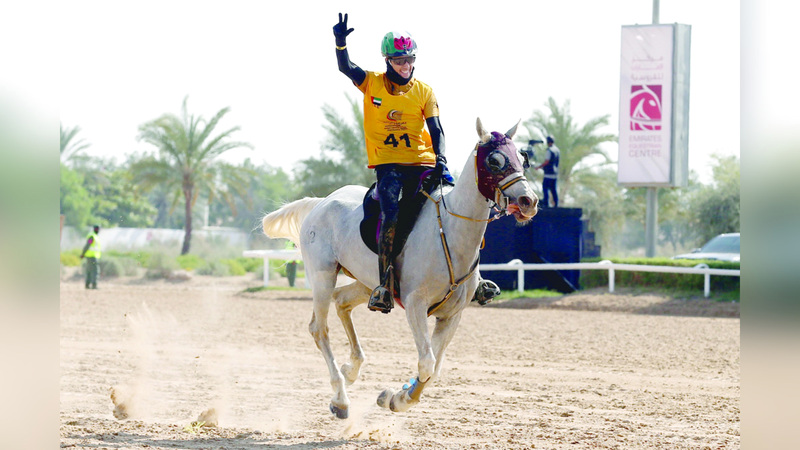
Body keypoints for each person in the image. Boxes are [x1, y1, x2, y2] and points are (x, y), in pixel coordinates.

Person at [333, 13, 499, 313]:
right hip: (389, 168)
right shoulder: (372, 83)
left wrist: (442, 158)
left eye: (409, 60)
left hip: (423, 163)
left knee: (460, 205)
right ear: (387, 61)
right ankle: (384, 284)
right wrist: (341, 44)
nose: (405, 66)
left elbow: (436, 130)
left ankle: (477, 278)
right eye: (399, 61)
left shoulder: (424, 91)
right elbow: (346, 68)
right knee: (391, 213)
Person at [535, 136, 560, 208]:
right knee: (553, 189)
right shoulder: (557, 150)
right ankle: (556, 204)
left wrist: (539, 167)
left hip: (548, 173)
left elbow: (547, 161)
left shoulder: (549, 150)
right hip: (555, 174)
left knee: (545, 188)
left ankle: (546, 203)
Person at [79, 225, 101, 289]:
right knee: (95, 271)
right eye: (97, 229)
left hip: (90, 256)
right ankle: (94, 285)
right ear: (94, 229)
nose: (98, 230)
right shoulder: (92, 237)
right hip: (92, 257)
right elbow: (88, 245)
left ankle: (87, 285)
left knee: (89, 270)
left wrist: (83, 254)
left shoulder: (95, 236)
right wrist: (83, 253)